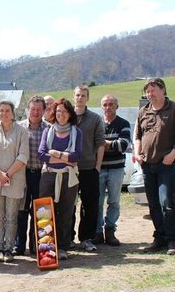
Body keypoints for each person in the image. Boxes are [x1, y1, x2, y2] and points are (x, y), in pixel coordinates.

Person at [134, 78, 175, 255]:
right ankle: (160, 238)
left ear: (163, 90)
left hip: (166, 165)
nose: (150, 94)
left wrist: (172, 154)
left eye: (153, 90)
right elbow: (137, 136)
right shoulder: (144, 111)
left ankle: (173, 240)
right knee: (153, 205)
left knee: (166, 201)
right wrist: (137, 153)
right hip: (147, 166)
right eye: (148, 91)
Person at [38, 98, 82, 260]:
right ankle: (47, 248)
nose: (61, 114)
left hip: (68, 178)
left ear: (70, 114)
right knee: (45, 213)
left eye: (64, 111)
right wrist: (65, 157)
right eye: (58, 111)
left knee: (66, 212)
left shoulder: (77, 132)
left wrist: (54, 153)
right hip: (48, 176)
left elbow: (76, 156)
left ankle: (63, 247)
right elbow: (42, 154)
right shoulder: (47, 132)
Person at [0, 101, 29, 262]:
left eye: (7, 111)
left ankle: (9, 248)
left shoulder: (22, 132)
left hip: (15, 179)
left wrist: (8, 174)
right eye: (1, 111)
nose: (4, 113)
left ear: (13, 112)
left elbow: (23, 155)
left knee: (11, 216)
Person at [93, 94, 131, 246]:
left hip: (116, 169)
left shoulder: (123, 123)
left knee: (114, 201)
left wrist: (102, 143)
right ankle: (97, 232)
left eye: (111, 104)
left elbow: (123, 146)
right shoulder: (97, 123)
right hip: (99, 168)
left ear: (117, 106)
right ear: (102, 107)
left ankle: (110, 230)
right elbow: (92, 145)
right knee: (98, 201)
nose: (108, 107)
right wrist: (110, 144)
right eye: (105, 104)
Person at [72, 85, 105, 252]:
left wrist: (97, 166)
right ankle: (68, 238)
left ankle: (86, 238)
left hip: (89, 168)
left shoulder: (95, 119)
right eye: (78, 95)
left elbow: (100, 143)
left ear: (87, 98)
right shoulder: (66, 116)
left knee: (89, 205)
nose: (80, 98)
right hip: (69, 168)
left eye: (83, 95)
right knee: (68, 205)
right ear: (73, 97)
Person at [15, 95, 47, 255]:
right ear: (28, 110)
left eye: (39, 109)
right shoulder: (19, 128)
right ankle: (18, 246)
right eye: (33, 109)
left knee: (40, 211)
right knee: (21, 211)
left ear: (43, 111)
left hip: (41, 175)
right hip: (22, 175)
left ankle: (37, 245)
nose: (35, 112)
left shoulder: (49, 129)